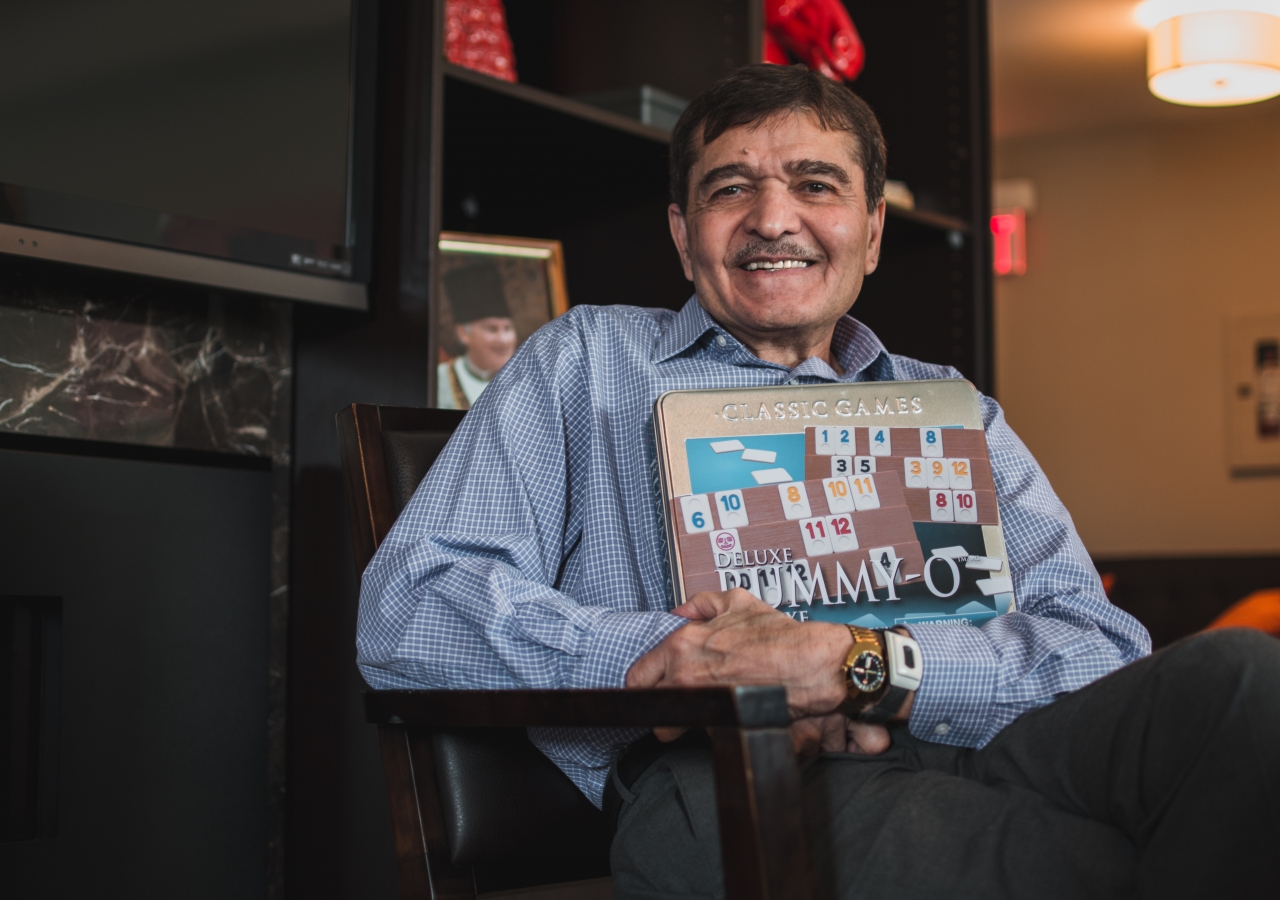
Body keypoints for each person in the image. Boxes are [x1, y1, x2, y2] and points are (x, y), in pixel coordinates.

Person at [359, 64, 1279, 898]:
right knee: (1106, 866)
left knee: (1248, 684)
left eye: (816, 184)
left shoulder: (955, 410)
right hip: (728, 776)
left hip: (977, 738)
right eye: (731, 189)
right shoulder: (586, 361)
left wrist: (860, 667)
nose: (773, 218)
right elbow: (410, 605)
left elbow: (1100, 648)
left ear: (871, 231)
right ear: (684, 236)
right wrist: (687, 664)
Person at [435, 260, 518, 410]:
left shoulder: (528, 381)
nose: (503, 340)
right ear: (463, 333)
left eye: (507, 328)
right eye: (492, 329)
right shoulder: (438, 381)